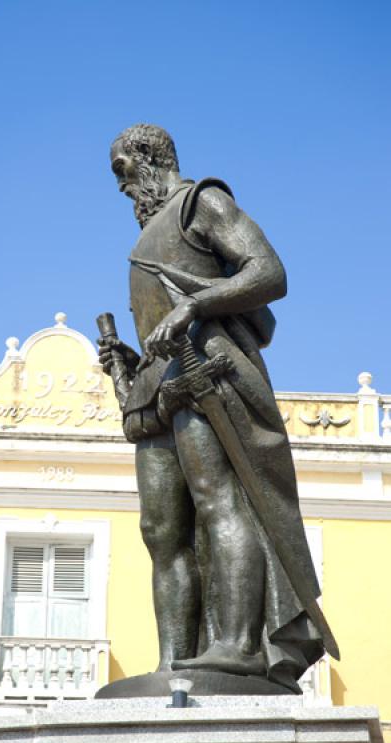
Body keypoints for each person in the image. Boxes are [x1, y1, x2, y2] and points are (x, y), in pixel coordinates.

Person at [100, 124, 337, 692]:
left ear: (149, 157)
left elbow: (268, 272)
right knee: (161, 529)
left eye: (121, 168)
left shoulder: (201, 202)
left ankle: (238, 646)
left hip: (207, 370)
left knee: (218, 501)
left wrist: (194, 307)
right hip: (158, 384)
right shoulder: (153, 229)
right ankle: (174, 662)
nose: (121, 185)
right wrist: (131, 360)